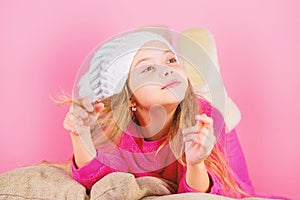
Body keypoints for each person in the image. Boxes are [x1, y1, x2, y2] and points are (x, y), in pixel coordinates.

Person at [62, 30, 255, 198]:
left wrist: (196, 165)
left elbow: (213, 196)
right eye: (148, 68)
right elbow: (99, 183)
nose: (167, 71)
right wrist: (80, 136)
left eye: (171, 60)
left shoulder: (203, 119)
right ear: (128, 97)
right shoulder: (120, 131)